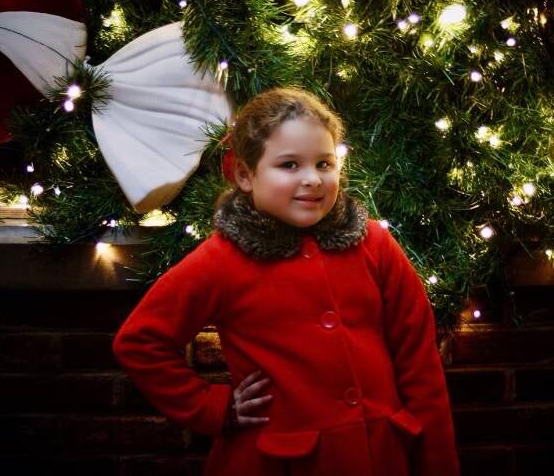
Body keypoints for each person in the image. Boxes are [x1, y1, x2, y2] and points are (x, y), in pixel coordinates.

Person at [112, 87, 460, 475]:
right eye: (290, 165)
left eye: (324, 163)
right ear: (245, 175)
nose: (312, 179)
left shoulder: (375, 244)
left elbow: (419, 363)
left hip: (383, 456)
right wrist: (213, 407)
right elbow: (140, 341)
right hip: (280, 462)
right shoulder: (222, 259)